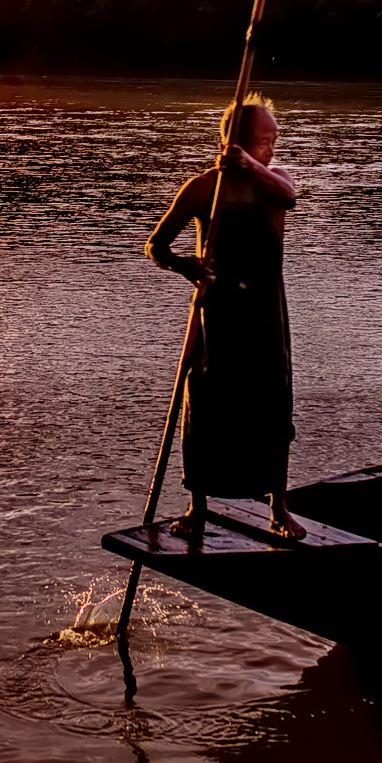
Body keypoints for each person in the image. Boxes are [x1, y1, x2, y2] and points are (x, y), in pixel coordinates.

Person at [145, 93, 303, 538]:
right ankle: (198, 506)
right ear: (237, 140)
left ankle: (278, 504)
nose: (271, 149)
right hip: (217, 311)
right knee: (207, 401)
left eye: (274, 140)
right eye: (263, 140)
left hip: (265, 312)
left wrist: (251, 165)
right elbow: (155, 245)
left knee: (271, 403)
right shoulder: (202, 188)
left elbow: (290, 197)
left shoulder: (272, 180)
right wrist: (183, 265)